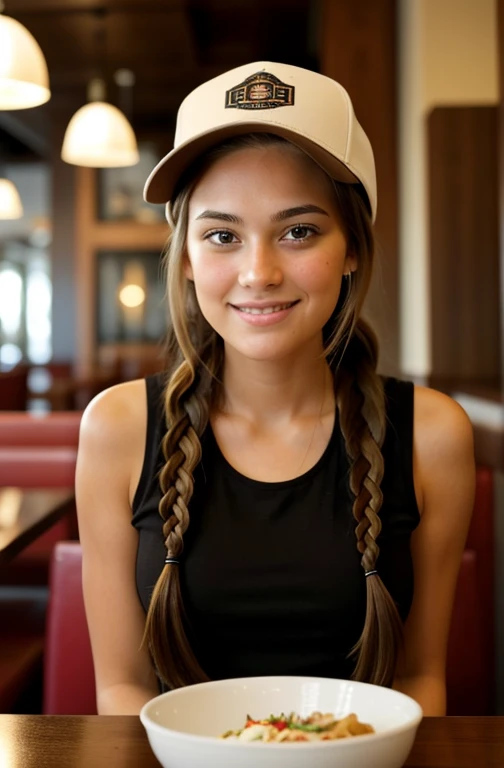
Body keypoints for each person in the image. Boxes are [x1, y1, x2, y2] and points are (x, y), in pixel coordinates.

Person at [76, 61, 475, 717]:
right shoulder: (117, 428)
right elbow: (122, 689)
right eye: (222, 235)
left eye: (299, 231)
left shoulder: (432, 434)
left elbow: (422, 682)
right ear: (185, 258)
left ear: (352, 248)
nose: (258, 272)